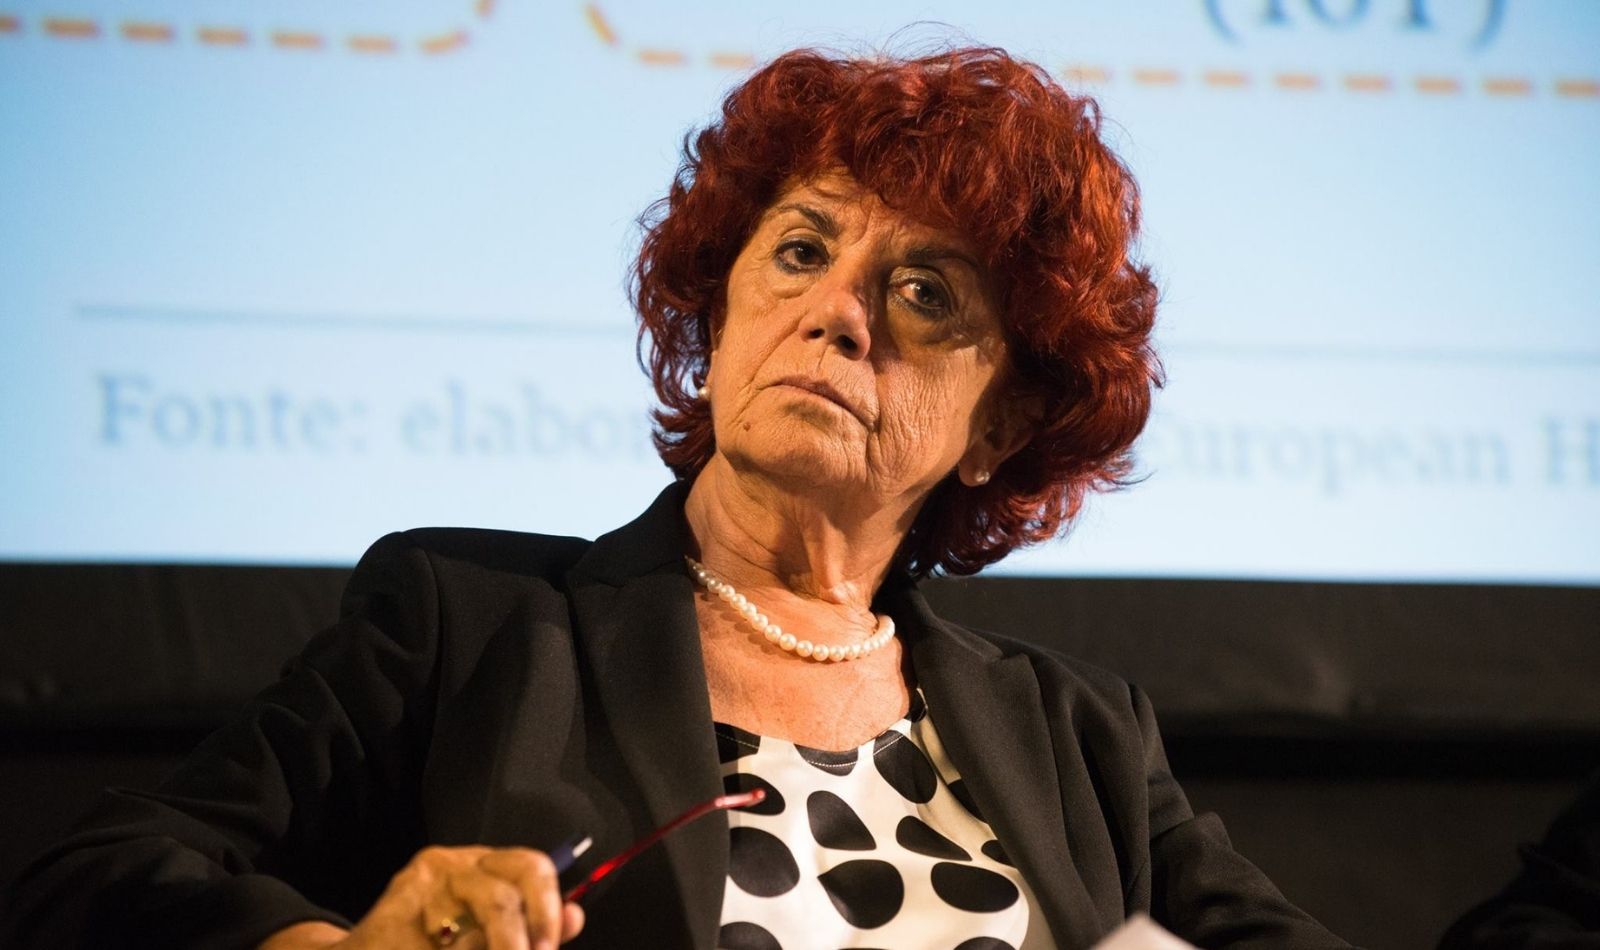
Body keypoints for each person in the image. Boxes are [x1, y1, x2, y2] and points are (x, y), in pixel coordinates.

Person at [1, 47, 1353, 949]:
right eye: (802, 251)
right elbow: (91, 880)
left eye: (924, 291)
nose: (839, 312)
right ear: (718, 318)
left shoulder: (1080, 732)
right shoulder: (469, 625)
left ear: (999, 424)